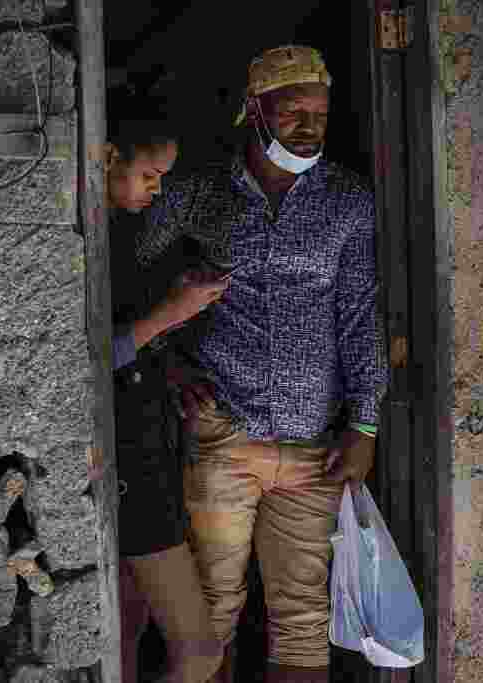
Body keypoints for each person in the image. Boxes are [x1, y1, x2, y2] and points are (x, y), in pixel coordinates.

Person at [137, 46, 390, 683]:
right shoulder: (200, 195)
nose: (308, 127)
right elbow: (130, 272)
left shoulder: (348, 203)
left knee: (303, 617)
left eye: (319, 115)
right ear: (253, 111)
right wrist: (164, 360)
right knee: (211, 609)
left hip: (316, 445)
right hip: (225, 431)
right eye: (291, 112)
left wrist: (364, 424)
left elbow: (362, 313)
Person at [105, 91, 227, 683]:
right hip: (128, 463)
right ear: (106, 158)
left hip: (147, 444)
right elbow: (89, 355)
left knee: (128, 631)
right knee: (200, 654)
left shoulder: (122, 238)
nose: (156, 192)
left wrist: (170, 361)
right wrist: (173, 313)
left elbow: (131, 337)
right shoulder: (83, 245)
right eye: (150, 175)